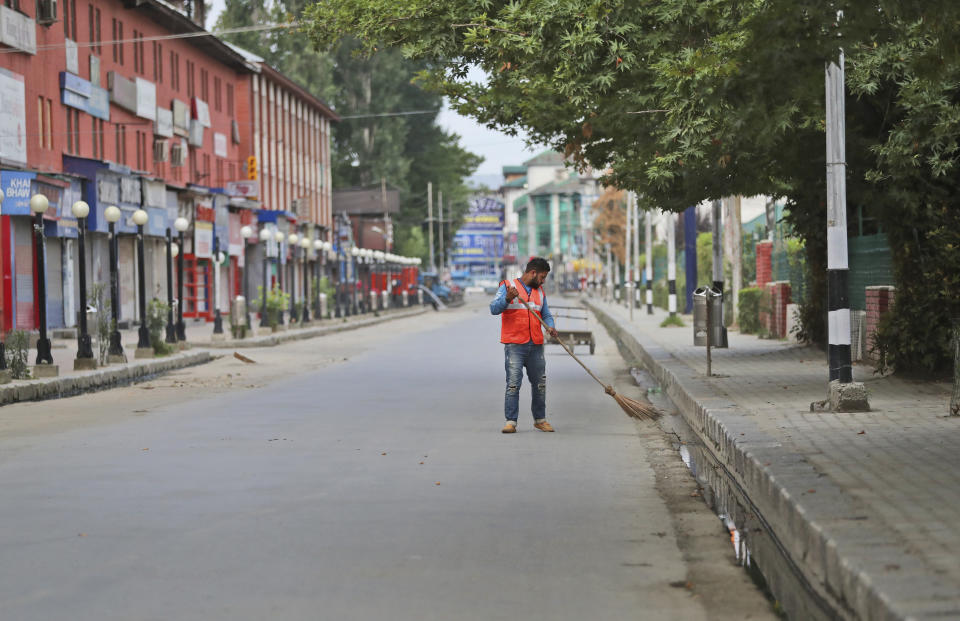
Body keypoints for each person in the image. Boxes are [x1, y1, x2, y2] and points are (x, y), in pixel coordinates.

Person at [489, 257, 560, 434]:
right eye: (542, 277)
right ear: (533, 273)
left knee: (540, 384)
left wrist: (550, 326)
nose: (543, 281)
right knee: (513, 384)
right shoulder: (507, 286)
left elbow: (546, 314)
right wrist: (506, 298)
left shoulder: (540, 292)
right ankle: (511, 421)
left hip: (536, 344)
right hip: (514, 345)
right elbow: (494, 309)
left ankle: (540, 419)